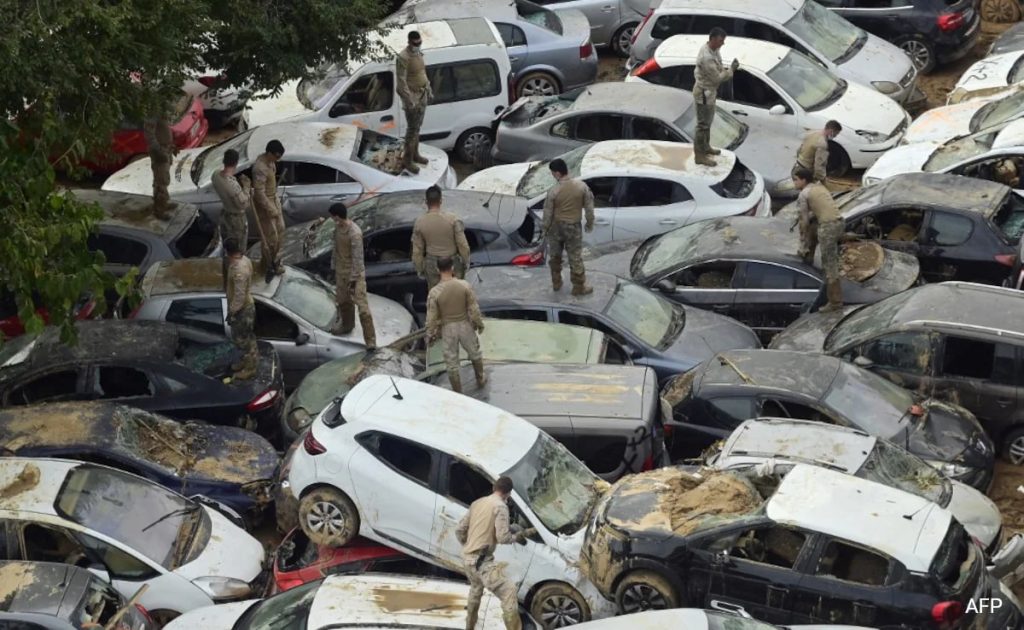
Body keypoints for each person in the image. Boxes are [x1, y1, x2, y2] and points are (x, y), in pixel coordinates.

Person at [456, 476, 532, 630]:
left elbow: (459, 530)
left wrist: (469, 545)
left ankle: (469, 626)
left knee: (476, 590)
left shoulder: (477, 503)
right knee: (509, 591)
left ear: (493, 488)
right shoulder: (500, 507)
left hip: (467, 559)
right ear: (508, 494)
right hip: (482, 563)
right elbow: (503, 538)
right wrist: (517, 536)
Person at [426, 256, 485, 393]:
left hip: (448, 329)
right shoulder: (464, 285)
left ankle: (457, 391)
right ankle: (480, 379)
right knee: (475, 353)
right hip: (465, 325)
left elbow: (431, 318)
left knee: (451, 363)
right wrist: (479, 324)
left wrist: (430, 334)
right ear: (452, 267)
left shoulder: (434, 292)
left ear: (437, 269)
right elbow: (474, 309)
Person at [793, 167, 843, 311]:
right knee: (814, 228)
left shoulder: (804, 194)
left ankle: (835, 302)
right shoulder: (819, 187)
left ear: (803, 180)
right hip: (839, 223)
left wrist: (802, 243)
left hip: (828, 228)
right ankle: (808, 256)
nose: (794, 183)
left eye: (796, 180)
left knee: (830, 265)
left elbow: (804, 222)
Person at [543, 158, 594, 295]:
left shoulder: (553, 191)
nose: (553, 176)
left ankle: (556, 283)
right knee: (575, 256)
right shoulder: (581, 187)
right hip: (573, 227)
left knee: (555, 256)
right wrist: (590, 223)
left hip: (555, 227)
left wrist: (545, 229)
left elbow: (547, 213)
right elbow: (589, 208)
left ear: (558, 173)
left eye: (553, 173)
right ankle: (578, 287)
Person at [329, 203, 376, 349]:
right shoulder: (337, 229)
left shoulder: (354, 232)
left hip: (355, 275)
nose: (332, 220)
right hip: (341, 272)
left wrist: (353, 280)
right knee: (343, 302)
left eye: (333, 217)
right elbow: (335, 250)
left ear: (337, 216)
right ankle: (347, 325)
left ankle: (370, 340)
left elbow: (358, 259)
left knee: (363, 309)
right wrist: (334, 268)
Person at [692, 27, 738, 166]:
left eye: (723, 41)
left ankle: (705, 147)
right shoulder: (706, 57)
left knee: (708, 123)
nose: (722, 44)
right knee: (702, 125)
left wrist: (725, 70)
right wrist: (731, 71)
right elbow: (717, 78)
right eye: (720, 40)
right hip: (704, 93)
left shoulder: (714, 50)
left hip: (710, 92)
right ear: (712, 39)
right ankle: (699, 156)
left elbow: (719, 67)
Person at [412, 186, 471, 291]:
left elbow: (417, 250)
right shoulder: (453, 219)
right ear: (441, 201)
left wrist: (419, 269)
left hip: (432, 264)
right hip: (452, 263)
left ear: (426, 202)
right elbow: (462, 244)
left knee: (436, 295)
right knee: (456, 292)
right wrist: (466, 261)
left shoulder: (419, 222)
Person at [211, 149, 251, 287]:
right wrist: (246, 187)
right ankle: (237, 280)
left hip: (226, 215)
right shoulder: (232, 185)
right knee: (238, 250)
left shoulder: (216, 176)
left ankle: (227, 275)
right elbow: (244, 203)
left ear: (224, 160)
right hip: (236, 218)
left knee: (228, 247)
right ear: (236, 162)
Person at [396, 30, 432, 174]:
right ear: (409, 42)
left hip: (422, 94)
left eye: (420, 42)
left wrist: (429, 88)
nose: (418, 45)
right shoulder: (403, 57)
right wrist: (409, 100)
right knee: (412, 130)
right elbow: (401, 82)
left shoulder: (418, 54)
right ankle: (408, 160)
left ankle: (416, 154)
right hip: (413, 98)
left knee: (417, 128)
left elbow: (421, 72)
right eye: (415, 43)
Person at [252, 139, 286, 283]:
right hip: (265, 206)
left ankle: (276, 260)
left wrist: (276, 204)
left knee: (281, 230)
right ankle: (268, 265)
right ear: (269, 153)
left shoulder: (271, 163)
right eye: (276, 156)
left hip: (273, 199)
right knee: (271, 239)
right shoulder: (260, 168)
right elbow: (259, 193)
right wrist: (270, 208)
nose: (277, 160)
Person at [224, 238, 258, 380]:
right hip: (244, 307)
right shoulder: (243, 261)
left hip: (243, 310)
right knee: (245, 339)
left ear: (227, 252)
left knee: (244, 341)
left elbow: (239, 296)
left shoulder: (239, 269)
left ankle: (250, 368)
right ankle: (245, 362)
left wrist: (232, 312)